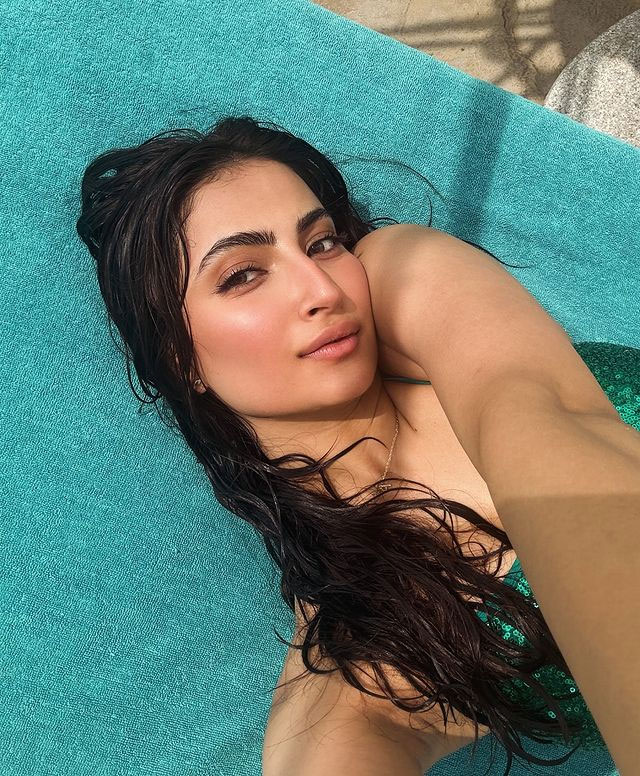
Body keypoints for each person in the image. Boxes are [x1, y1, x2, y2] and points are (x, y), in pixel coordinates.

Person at [75, 115, 638, 775]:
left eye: (320, 243)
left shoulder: (401, 277)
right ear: (178, 358)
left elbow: (546, 417)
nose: (323, 290)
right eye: (243, 275)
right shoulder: (353, 675)